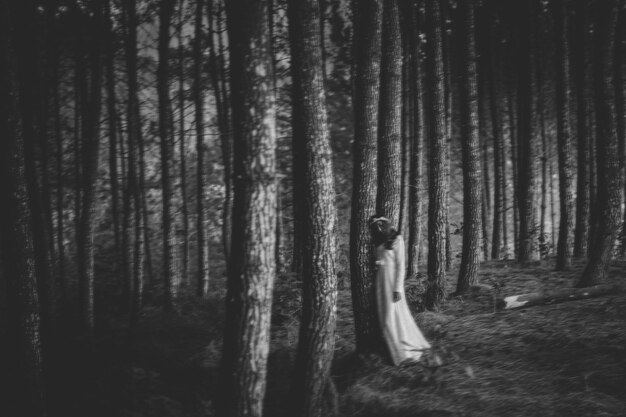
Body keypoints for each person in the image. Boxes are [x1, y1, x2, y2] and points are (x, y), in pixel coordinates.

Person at [370, 215, 431, 365]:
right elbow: (379, 260)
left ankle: (404, 352)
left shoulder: (398, 240)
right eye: (375, 227)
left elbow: (400, 266)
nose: (378, 229)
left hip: (392, 284)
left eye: (380, 225)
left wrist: (397, 288)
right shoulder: (378, 241)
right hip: (380, 282)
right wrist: (376, 263)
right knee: (384, 318)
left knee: (394, 316)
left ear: (385, 224)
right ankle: (394, 351)